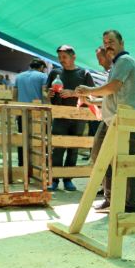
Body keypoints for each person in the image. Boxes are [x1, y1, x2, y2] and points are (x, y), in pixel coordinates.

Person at [75, 30, 135, 213]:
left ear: (121, 42)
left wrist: (89, 90)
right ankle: (111, 198)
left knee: (124, 161)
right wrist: (92, 99)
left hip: (124, 120)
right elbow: (112, 94)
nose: (108, 45)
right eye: (105, 42)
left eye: (111, 41)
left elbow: (113, 88)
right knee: (99, 156)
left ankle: (128, 204)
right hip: (111, 120)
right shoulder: (117, 64)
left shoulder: (125, 61)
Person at [46, 45, 95, 192]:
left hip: (79, 116)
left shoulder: (84, 73)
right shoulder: (55, 73)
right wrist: (48, 94)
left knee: (73, 148)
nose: (61, 60)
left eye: (64, 57)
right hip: (60, 115)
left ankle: (68, 179)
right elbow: (47, 92)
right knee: (57, 148)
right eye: (59, 57)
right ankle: (54, 179)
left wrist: (73, 94)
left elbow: (92, 95)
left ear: (73, 57)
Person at [12, 59, 48, 166]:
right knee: (41, 139)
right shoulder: (43, 77)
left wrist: (15, 112)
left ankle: (22, 164)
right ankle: (41, 164)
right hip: (38, 113)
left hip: (22, 112)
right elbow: (45, 95)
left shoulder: (19, 77)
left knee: (22, 138)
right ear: (41, 67)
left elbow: (14, 96)